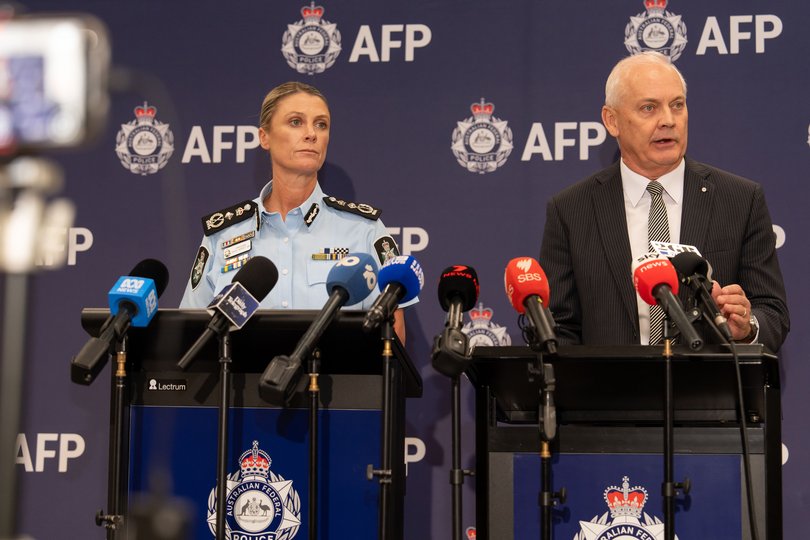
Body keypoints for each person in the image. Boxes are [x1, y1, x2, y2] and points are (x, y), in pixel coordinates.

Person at [539, 51, 789, 352]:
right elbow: (561, 327)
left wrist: (747, 328)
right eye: (649, 108)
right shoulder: (571, 210)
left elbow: (773, 313)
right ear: (612, 120)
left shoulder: (740, 199)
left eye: (677, 105)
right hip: (611, 396)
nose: (668, 121)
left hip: (708, 394)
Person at [180, 81, 410, 342]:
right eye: (296, 122)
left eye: (321, 124)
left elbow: (393, 341)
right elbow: (191, 330)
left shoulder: (364, 231)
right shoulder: (222, 235)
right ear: (264, 137)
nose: (311, 134)